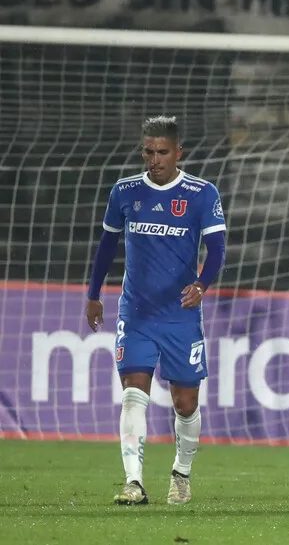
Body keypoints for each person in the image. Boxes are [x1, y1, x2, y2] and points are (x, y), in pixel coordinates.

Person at [86, 115, 227, 506]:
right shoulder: (125, 191)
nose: (154, 159)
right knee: (133, 393)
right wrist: (94, 293)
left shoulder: (202, 193)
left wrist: (202, 284)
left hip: (181, 314)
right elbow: (107, 245)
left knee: (186, 403)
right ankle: (134, 482)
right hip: (136, 313)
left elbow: (216, 250)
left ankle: (181, 472)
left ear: (178, 152)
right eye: (148, 151)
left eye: (162, 152)